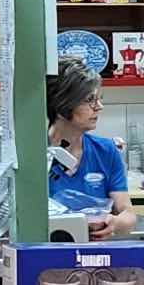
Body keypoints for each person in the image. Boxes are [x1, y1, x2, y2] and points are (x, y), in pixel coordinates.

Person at [44, 66, 134, 233]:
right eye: (89, 100)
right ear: (62, 106)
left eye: (98, 99)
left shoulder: (106, 151)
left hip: (94, 246)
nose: (99, 106)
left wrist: (114, 223)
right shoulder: (34, 155)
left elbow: (128, 214)